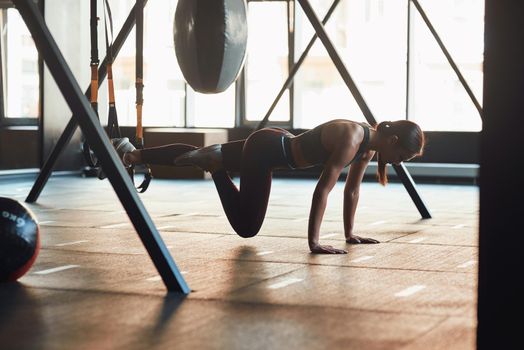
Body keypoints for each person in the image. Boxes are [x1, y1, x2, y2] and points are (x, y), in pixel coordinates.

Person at [113, 119, 425, 254]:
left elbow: (352, 191)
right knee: (247, 228)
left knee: (199, 157)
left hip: (271, 142)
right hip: (267, 151)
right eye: (401, 156)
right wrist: (314, 242)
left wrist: (349, 234)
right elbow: (323, 190)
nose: (399, 162)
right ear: (393, 140)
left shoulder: (368, 145)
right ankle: (217, 167)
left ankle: (130, 153)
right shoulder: (353, 138)